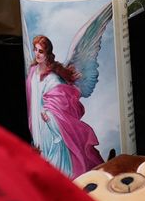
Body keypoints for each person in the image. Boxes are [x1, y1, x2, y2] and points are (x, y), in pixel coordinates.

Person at [26, 35, 104, 178]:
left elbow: (59, 100)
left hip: (51, 124)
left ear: (47, 53)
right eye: (35, 50)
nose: (37, 54)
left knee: (58, 156)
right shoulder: (32, 72)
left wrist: (49, 116)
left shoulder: (53, 78)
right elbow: (31, 98)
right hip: (38, 125)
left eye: (41, 51)